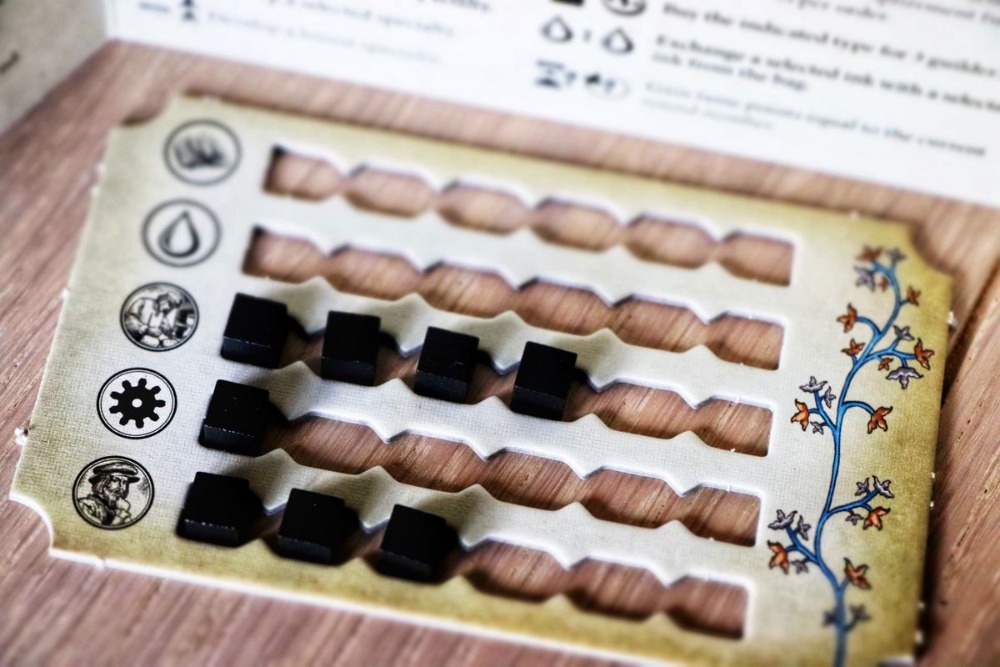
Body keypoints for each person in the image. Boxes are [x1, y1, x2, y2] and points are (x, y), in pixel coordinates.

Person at [76, 461, 140, 527]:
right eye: (115, 480)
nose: (121, 486)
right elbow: (97, 530)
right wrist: (121, 515)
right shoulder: (86, 505)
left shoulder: (117, 507)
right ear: (102, 483)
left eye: (124, 482)